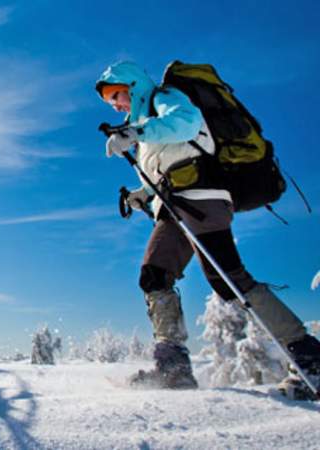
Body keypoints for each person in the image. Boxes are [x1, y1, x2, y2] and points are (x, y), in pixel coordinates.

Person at [95, 61, 320, 399]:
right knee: (155, 275)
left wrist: (136, 133)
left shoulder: (164, 99)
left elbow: (186, 124)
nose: (115, 104)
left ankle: (308, 356)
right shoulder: (145, 127)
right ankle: (173, 367)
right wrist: (142, 194)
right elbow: (167, 167)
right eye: (108, 101)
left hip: (201, 200)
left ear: (134, 85)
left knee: (229, 279)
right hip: (176, 205)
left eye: (116, 94)